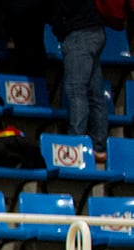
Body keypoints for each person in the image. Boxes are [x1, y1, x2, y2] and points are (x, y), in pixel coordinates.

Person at [54, 0, 109, 161]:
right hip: (96, 30)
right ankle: (99, 148)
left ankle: (75, 147)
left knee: (76, 91)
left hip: (79, 32)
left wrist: (58, 24)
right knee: (94, 93)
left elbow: (65, 6)